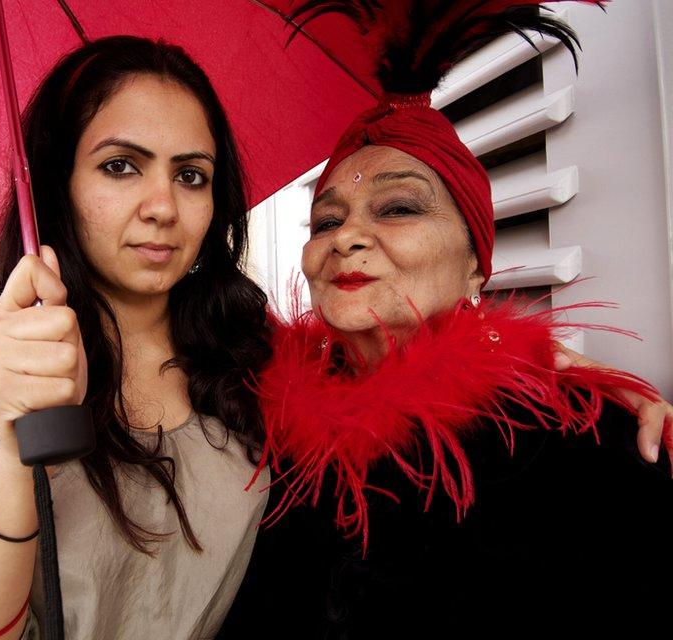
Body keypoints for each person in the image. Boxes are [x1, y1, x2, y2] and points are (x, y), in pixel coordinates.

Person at [219, 1, 673, 637]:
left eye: (399, 208)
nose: (347, 236)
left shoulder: (584, 442)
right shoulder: (260, 427)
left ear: (475, 268)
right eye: (326, 220)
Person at [0, 36, 272, 640]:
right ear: (57, 184)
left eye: (191, 175)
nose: (163, 207)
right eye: (120, 165)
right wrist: (19, 462)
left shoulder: (252, 362)